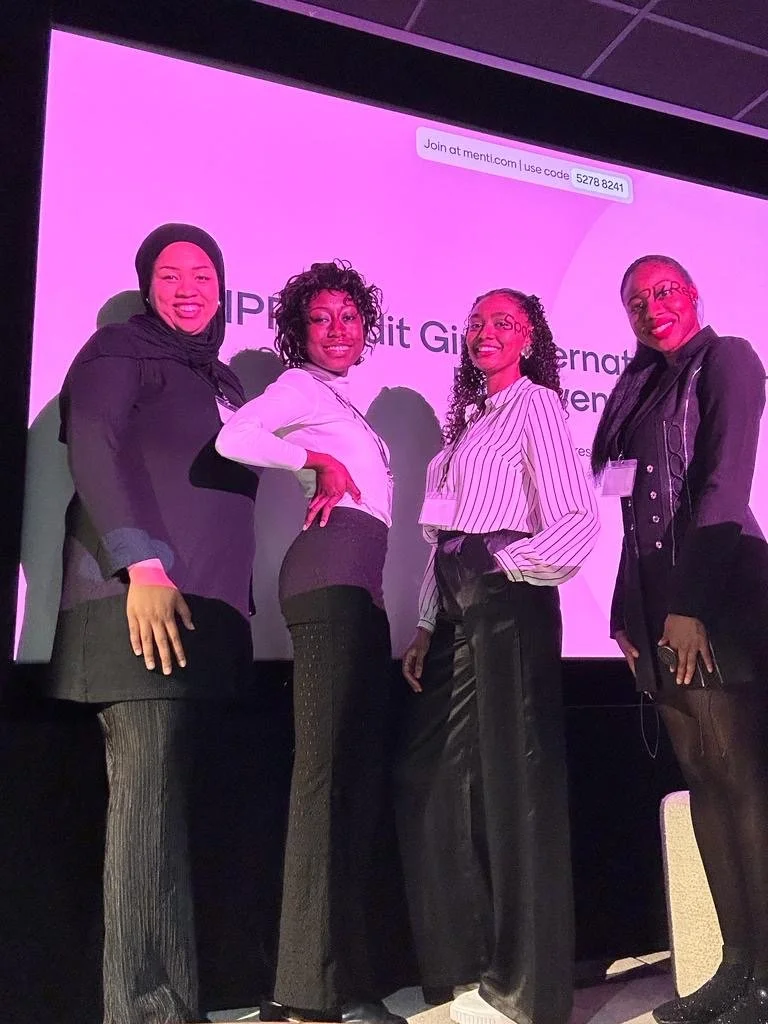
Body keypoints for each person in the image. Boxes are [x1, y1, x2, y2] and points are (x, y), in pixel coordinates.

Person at [46, 223, 259, 1024]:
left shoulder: (219, 377)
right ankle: (141, 1012)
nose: (188, 287)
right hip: (138, 606)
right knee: (146, 817)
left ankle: (170, 1007)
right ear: (147, 286)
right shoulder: (119, 349)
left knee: (163, 817)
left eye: (203, 273)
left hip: (197, 613)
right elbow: (95, 446)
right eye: (170, 274)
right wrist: (141, 566)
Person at [397, 288, 599, 1024]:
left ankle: (526, 993)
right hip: (457, 599)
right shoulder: (469, 423)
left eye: (503, 322)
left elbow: (577, 515)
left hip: (509, 597)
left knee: (519, 786)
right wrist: (425, 622)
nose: (486, 331)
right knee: (431, 774)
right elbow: (442, 536)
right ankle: (468, 964)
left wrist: (506, 565)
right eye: (477, 322)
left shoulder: (536, 405)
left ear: (528, 338)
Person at [215, 260, 404, 1024]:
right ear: (299, 330)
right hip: (328, 578)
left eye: (348, 317)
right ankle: (310, 991)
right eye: (321, 318)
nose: (337, 329)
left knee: (351, 785)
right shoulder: (298, 387)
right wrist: (311, 459)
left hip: (356, 585)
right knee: (326, 781)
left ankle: (337, 980)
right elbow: (234, 436)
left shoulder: (340, 399)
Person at [591, 254, 768, 1024]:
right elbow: (628, 518)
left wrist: (691, 604)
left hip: (719, 592)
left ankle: (765, 980)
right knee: (704, 784)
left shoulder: (727, 359)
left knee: (742, 782)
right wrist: (623, 615)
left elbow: (726, 481)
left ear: (692, 295)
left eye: (664, 291)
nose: (651, 306)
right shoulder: (640, 391)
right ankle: (735, 967)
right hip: (659, 608)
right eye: (636, 300)